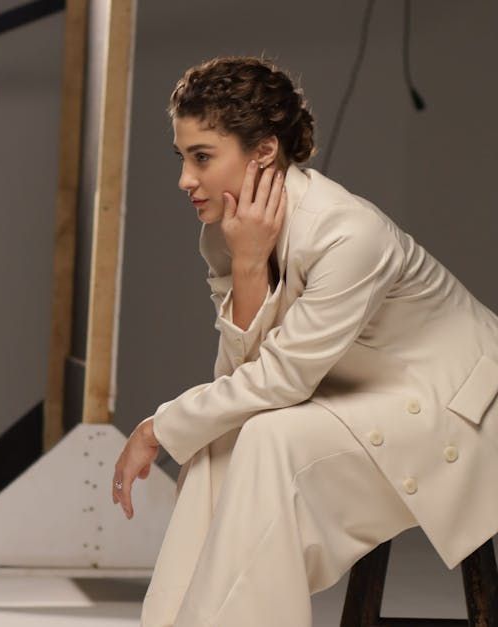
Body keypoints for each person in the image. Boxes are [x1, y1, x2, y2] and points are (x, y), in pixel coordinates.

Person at [110, 56, 498, 626]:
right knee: (227, 440)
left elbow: (283, 380)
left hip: (461, 410)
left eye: (202, 157)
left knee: (268, 436)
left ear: (263, 151)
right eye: (182, 157)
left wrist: (157, 427)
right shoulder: (225, 235)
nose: (185, 180)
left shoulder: (348, 233)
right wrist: (247, 265)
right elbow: (237, 384)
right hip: (365, 397)